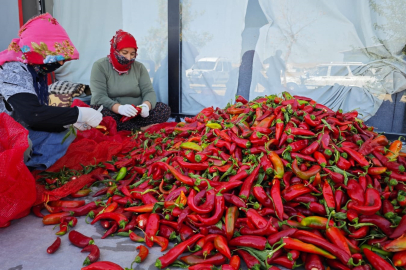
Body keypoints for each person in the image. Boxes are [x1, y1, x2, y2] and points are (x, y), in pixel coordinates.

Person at [0, 13, 103, 170]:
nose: (61, 62)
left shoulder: (35, 70)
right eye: (57, 56)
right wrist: (78, 114)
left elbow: (37, 116)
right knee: (23, 143)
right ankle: (14, 172)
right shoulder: (13, 69)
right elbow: (33, 115)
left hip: (21, 127)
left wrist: (69, 120)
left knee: (65, 132)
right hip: (5, 132)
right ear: (38, 49)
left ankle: (33, 169)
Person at [90, 30, 171, 131]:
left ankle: (127, 126)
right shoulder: (100, 66)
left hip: (136, 113)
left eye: (132, 54)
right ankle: (139, 128)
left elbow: (149, 91)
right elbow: (99, 96)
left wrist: (146, 106)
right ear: (115, 50)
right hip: (112, 111)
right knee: (99, 114)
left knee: (163, 109)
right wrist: (120, 108)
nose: (129, 58)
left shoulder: (139, 67)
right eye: (125, 53)